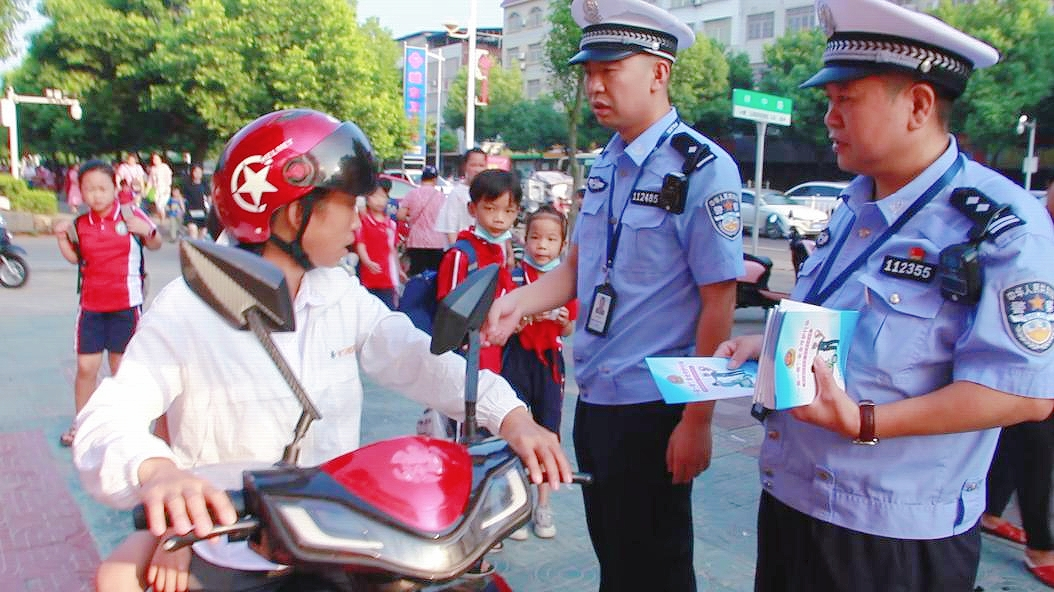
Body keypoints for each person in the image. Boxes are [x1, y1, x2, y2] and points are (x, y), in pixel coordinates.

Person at [71, 109, 571, 592]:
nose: (358, 221)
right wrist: (157, 472)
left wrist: (510, 416)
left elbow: (418, 358)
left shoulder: (337, 290)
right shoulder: (187, 308)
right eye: (347, 205)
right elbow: (105, 420)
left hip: (344, 542)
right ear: (295, 213)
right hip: (230, 550)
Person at [714, 1, 1054, 590]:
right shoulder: (855, 204)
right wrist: (763, 342)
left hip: (895, 535)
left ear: (919, 105)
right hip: (794, 497)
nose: (828, 118)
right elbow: (839, 320)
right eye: (829, 102)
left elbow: (1022, 393)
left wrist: (864, 421)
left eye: (846, 100)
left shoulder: (1002, 226)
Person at [484, 0, 743, 588]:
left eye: (610, 71)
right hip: (598, 396)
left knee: (658, 565)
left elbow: (719, 301)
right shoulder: (607, 163)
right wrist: (517, 304)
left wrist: (698, 419)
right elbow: (578, 266)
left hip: (657, 408)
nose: (594, 86)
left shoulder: (702, 170)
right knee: (618, 558)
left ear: (659, 72)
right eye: (589, 73)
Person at [52, 160, 162, 447]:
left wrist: (145, 230)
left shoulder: (130, 215)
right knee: (86, 368)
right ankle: (82, 425)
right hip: (91, 308)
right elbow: (76, 259)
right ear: (81, 192)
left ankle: (128, 426)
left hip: (125, 307)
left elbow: (156, 243)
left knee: (121, 369)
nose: (95, 195)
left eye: (102, 188)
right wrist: (62, 239)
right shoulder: (79, 225)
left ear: (115, 188)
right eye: (89, 189)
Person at [980, 179, 1054, 589]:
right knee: (1036, 447)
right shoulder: (1029, 227)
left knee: (1016, 441)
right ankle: (1041, 547)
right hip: (1028, 366)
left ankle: (991, 512)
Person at [501, 205, 577, 541]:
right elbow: (505, 323)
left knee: (547, 430)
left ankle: (543, 504)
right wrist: (524, 320)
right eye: (534, 237)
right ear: (524, 239)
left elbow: (571, 328)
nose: (541, 245)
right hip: (516, 360)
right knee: (513, 430)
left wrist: (562, 321)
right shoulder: (514, 276)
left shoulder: (566, 282)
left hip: (549, 365)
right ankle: (515, 506)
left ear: (563, 244)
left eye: (550, 239)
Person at [438, 169, 522, 375]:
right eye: (490, 209)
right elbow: (449, 308)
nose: (499, 219)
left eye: (508, 211)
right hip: (467, 353)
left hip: (492, 349)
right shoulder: (460, 255)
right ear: (472, 209)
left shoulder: (498, 250)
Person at [355, 178, 401, 309]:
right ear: (367, 198)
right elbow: (360, 244)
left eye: (384, 196)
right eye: (376, 196)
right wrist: (367, 261)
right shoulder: (363, 222)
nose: (380, 201)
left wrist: (398, 270)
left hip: (388, 279)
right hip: (368, 278)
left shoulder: (391, 224)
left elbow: (393, 249)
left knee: (388, 310)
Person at [397, 165, 448, 275]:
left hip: (416, 241)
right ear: (435, 179)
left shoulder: (412, 194)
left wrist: (409, 219)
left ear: (422, 178)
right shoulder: (441, 197)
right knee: (434, 275)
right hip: (436, 242)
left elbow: (400, 215)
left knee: (416, 274)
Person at [435, 148, 487, 245]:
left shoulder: (490, 192)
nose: (477, 170)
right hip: (465, 249)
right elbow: (450, 227)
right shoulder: (457, 193)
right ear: (465, 167)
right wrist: (457, 251)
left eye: (481, 165)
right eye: (473, 165)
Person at [181, 164, 210, 240]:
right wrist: (183, 208)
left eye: (200, 172)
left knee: (202, 235)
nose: (198, 174)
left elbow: (209, 197)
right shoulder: (187, 184)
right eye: (196, 171)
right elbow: (182, 197)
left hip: (202, 212)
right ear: (192, 172)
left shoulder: (204, 184)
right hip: (191, 212)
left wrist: (210, 208)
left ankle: (199, 250)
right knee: (193, 232)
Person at [146, 152, 173, 222]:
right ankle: (161, 219)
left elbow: (168, 178)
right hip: (156, 189)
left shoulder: (165, 167)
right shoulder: (153, 169)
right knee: (158, 206)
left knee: (161, 205)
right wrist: (147, 190)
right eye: (154, 159)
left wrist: (167, 187)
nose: (155, 160)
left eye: (156, 158)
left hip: (164, 188)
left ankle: (163, 220)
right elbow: (150, 181)